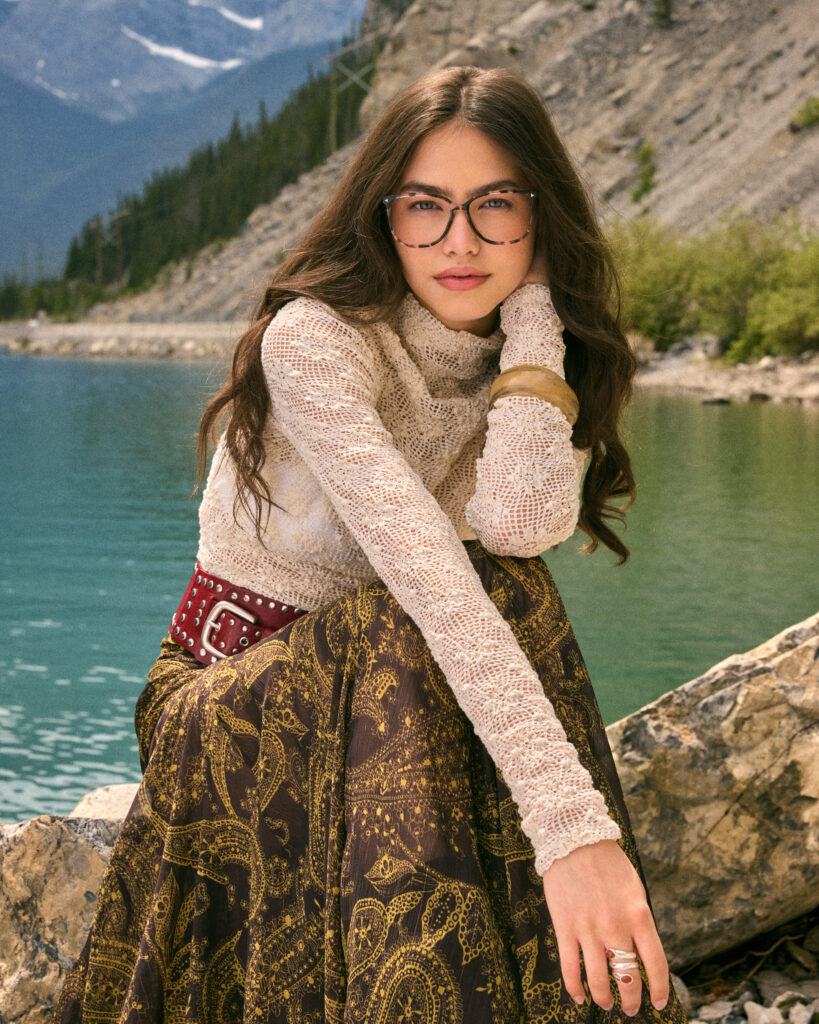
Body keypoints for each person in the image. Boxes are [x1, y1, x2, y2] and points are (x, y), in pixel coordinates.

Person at [55, 65, 686, 1023]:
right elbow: (430, 583)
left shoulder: (531, 348)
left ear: (541, 218)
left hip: (389, 689)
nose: (458, 241)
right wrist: (568, 829)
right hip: (228, 688)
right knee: (432, 604)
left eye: (495, 207)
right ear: (384, 214)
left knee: (503, 584)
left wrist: (531, 326)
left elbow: (517, 527)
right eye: (425, 205)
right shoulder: (315, 340)